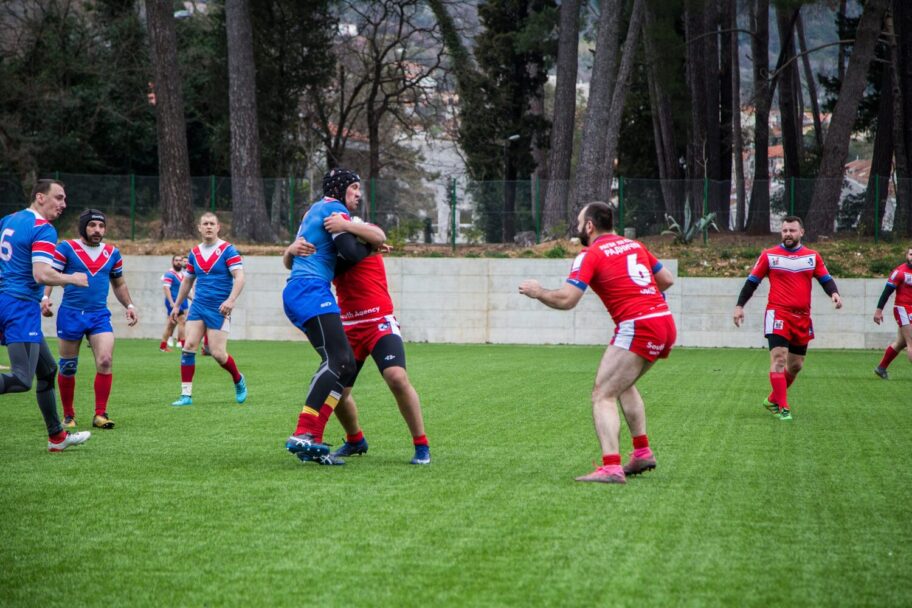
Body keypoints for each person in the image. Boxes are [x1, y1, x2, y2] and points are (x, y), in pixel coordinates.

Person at [519, 201, 675, 484]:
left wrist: (538, 292)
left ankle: (611, 467)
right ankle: (642, 452)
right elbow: (666, 279)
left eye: (580, 223)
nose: (578, 227)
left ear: (589, 226)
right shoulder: (634, 246)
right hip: (664, 322)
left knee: (603, 394)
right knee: (623, 386)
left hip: (638, 324)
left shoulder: (590, 254)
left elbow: (567, 300)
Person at [286, 213, 431, 466]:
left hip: (379, 321)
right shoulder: (330, 248)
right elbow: (294, 263)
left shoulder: (365, 231)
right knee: (338, 391)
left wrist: (346, 226)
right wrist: (289, 249)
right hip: (348, 326)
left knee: (396, 377)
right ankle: (355, 440)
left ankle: (421, 444)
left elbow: (379, 235)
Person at [282, 168, 380, 465]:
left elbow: (300, 257)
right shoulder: (334, 210)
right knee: (337, 361)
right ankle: (303, 431)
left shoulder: (316, 208)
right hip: (310, 291)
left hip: (304, 290)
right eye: (353, 187)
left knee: (346, 365)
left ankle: (312, 436)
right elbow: (349, 253)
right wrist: (371, 245)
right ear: (339, 189)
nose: (358, 193)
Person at [0, 179, 91, 451]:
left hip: (7, 300)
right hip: (19, 307)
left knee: (48, 369)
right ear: (40, 197)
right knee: (20, 379)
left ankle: (57, 437)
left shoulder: (9, 219)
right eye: (59, 197)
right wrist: (72, 278)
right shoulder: (44, 229)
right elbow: (42, 273)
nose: (64, 204)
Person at [733, 215, 842, 421]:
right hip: (778, 314)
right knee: (779, 358)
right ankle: (783, 407)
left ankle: (773, 399)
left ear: (801, 232)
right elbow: (751, 282)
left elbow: (825, 279)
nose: (788, 234)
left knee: (796, 365)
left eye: (792, 231)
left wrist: (834, 293)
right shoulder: (769, 255)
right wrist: (739, 306)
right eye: (784, 231)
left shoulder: (812, 256)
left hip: (802, 317)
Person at [41, 209, 138, 430]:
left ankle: (100, 414)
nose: (97, 230)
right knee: (68, 367)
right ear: (83, 226)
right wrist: (45, 297)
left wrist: (129, 305)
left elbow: (119, 284)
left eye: (101, 226)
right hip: (70, 314)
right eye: (93, 225)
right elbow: (51, 275)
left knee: (105, 360)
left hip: (99, 315)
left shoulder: (112, 253)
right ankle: (68, 415)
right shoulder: (66, 248)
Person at [168, 212, 247, 406]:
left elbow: (239, 277)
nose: (209, 226)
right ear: (199, 228)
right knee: (188, 347)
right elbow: (187, 280)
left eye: (212, 223)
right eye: (205, 223)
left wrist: (231, 300)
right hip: (198, 306)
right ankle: (186, 395)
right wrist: (177, 305)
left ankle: (238, 379)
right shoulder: (194, 253)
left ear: (218, 227)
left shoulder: (228, 250)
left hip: (220, 308)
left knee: (218, 353)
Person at [873, 246, 912, 379]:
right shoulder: (899, 272)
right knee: (911, 342)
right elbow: (887, 292)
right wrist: (878, 311)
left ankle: (881, 368)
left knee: (901, 342)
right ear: (906, 255)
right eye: (911, 254)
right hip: (903, 309)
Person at [159, 255, 187, 352]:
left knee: (171, 324)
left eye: (180, 260)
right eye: (176, 260)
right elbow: (166, 288)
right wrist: (171, 303)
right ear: (172, 262)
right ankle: (184, 345)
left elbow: (185, 290)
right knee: (182, 321)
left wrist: (193, 298)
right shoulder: (169, 274)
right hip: (173, 302)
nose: (179, 262)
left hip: (180, 302)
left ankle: (163, 346)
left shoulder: (183, 274)